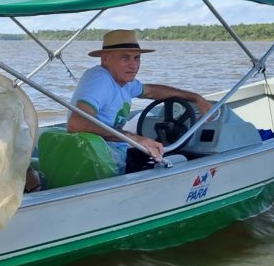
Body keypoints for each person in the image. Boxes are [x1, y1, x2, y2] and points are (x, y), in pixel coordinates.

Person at [66, 29, 213, 174]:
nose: (133, 65)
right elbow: (76, 123)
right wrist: (136, 139)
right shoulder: (101, 79)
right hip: (98, 163)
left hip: (111, 156)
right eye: (125, 57)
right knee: (180, 161)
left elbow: (151, 91)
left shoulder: (122, 81)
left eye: (136, 58)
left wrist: (195, 97)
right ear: (105, 59)